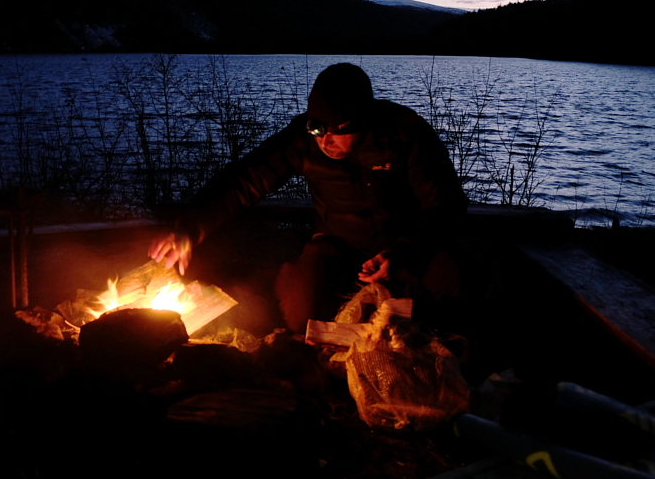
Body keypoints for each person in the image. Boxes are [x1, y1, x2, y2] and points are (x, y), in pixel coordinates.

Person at [149, 63, 470, 334]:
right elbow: (243, 181)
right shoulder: (302, 140)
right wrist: (190, 228)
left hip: (408, 243)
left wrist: (404, 251)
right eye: (317, 127)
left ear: (364, 120)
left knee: (452, 293)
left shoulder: (405, 133)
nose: (325, 140)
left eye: (337, 130)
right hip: (337, 243)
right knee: (301, 318)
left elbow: (447, 206)